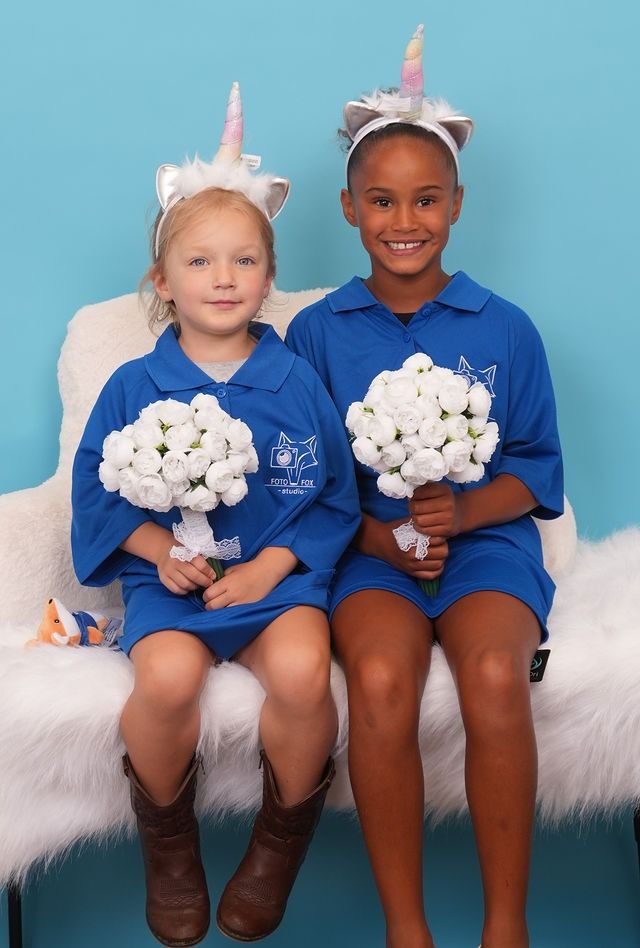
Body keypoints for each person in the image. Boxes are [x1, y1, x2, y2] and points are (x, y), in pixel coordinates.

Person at [286, 26, 563, 948]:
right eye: (381, 201)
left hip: (486, 545)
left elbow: (535, 468)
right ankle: (407, 931)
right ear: (350, 208)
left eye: (426, 199)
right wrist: (379, 537)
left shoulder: (505, 327)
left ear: (456, 204)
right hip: (373, 558)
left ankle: (505, 928)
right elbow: (306, 484)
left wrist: (465, 510)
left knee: (493, 673)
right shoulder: (318, 336)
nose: (405, 219)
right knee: (376, 675)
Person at [71, 83, 360, 947]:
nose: (223, 278)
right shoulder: (134, 386)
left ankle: (278, 844)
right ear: (161, 280)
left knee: (308, 677)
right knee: (165, 681)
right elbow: (96, 489)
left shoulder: (297, 380)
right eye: (199, 262)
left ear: (270, 277)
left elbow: (334, 495)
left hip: (272, 581)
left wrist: (276, 567)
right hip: (175, 583)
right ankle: (169, 846)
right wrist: (158, 548)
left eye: (243, 260)